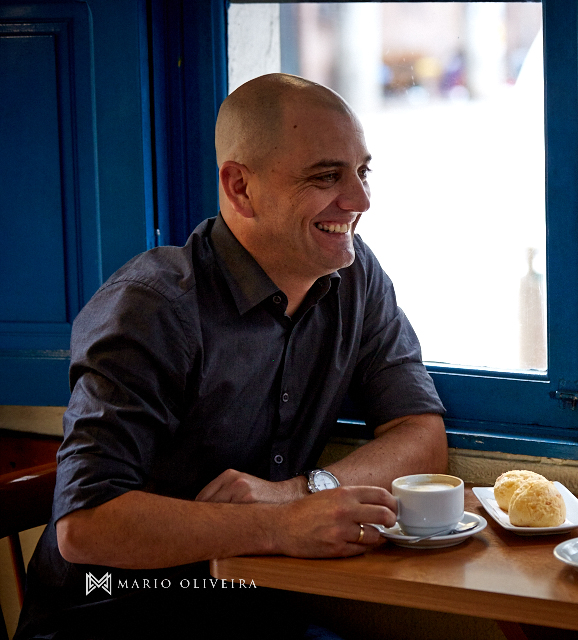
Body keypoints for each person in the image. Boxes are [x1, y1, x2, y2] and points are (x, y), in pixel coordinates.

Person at [15, 73, 448, 640]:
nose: (361, 200)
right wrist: (279, 525)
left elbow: (421, 436)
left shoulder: (355, 275)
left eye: (362, 172)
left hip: (255, 615)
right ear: (240, 187)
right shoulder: (152, 307)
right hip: (111, 619)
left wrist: (295, 493)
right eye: (325, 176)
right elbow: (86, 525)